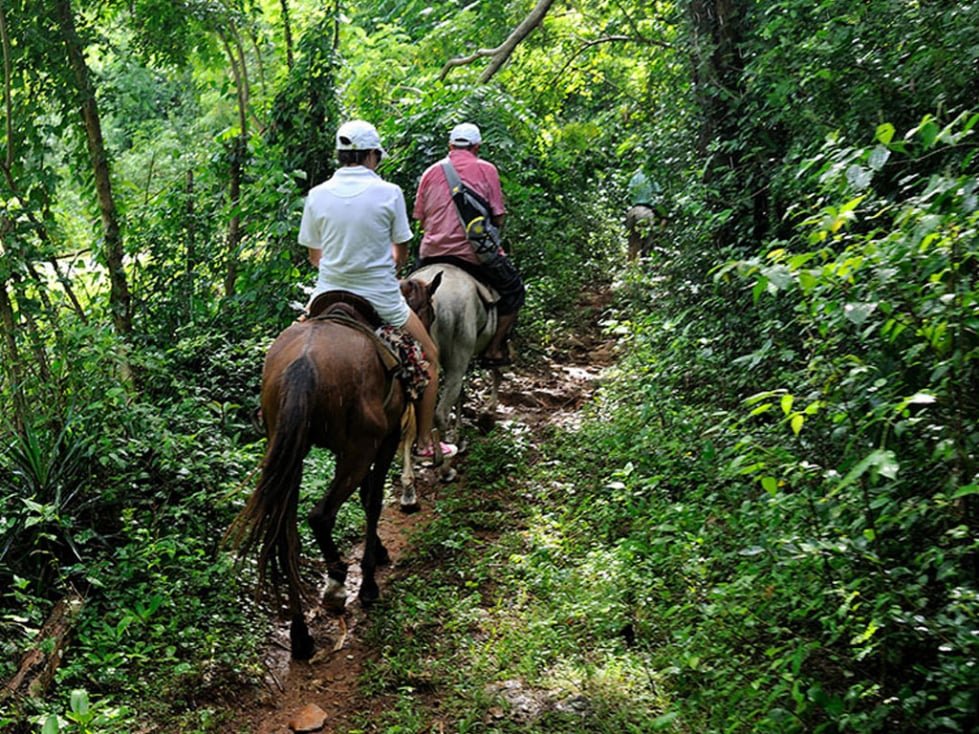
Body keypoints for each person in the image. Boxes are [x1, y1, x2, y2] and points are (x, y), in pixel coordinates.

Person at [299, 119, 456, 460]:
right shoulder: (390, 193)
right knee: (430, 357)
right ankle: (424, 443)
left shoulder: (316, 194)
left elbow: (314, 257)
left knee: (291, 344)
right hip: (381, 298)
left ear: (340, 156)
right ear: (372, 156)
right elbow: (400, 254)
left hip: (325, 296)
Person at [412, 122, 525, 367]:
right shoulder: (486, 169)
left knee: (409, 294)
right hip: (473, 256)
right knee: (514, 290)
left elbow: (420, 217)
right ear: (477, 147)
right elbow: (498, 216)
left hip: (431, 253)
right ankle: (493, 349)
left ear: (450, 145)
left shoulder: (431, 172)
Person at [625, 167, 663, 260]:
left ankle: (631, 264)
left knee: (632, 241)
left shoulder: (634, 178)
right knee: (648, 241)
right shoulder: (652, 178)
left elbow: (629, 194)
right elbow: (658, 194)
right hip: (647, 210)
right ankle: (645, 263)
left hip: (634, 209)